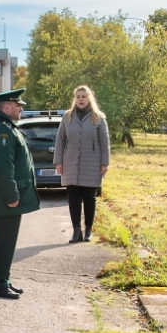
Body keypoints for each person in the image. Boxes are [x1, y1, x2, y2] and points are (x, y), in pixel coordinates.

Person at [0, 88, 40, 299]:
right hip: (4, 198)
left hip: (5, 197)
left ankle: (2, 279)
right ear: (7, 107)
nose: (21, 107)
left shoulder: (6, 127)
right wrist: (12, 196)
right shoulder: (3, 132)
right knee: (4, 241)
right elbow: (3, 168)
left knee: (6, 240)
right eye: (18, 105)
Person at [55, 84, 111, 243]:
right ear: (75, 99)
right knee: (73, 198)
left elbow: (104, 142)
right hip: (71, 163)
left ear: (89, 98)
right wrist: (58, 161)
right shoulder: (67, 117)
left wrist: (104, 163)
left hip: (91, 163)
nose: (81, 99)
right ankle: (76, 231)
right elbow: (60, 140)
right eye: (78, 97)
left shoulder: (98, 118)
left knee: (89, 197)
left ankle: (88, 230)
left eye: (83, 96)